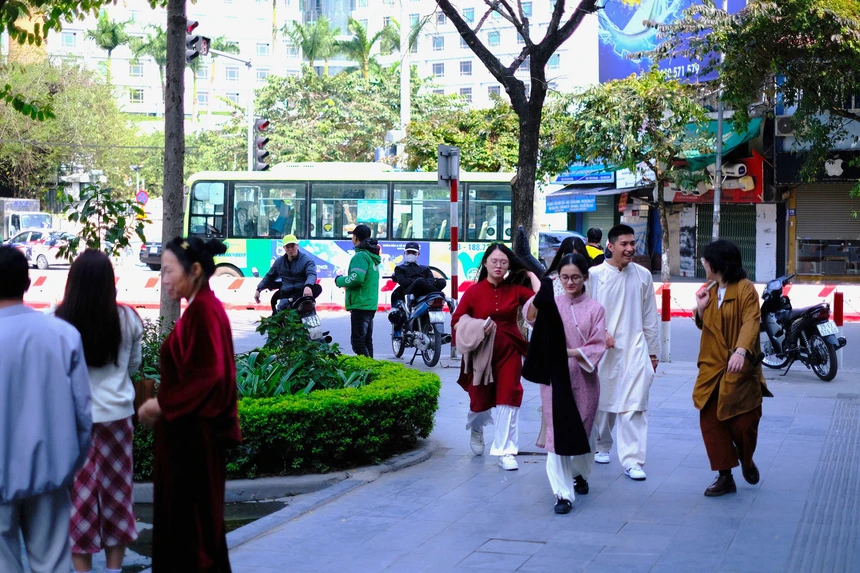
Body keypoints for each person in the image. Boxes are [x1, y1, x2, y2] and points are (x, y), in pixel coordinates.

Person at [137, 237, 241, 572]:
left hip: (194, 442)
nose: (163, 278)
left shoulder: (203, 311)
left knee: (191, 535)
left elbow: (211, 376)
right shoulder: (201, 307)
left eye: (168, 270)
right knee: (195, 532)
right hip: (189, 440)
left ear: (194, 271)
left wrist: (162, 405)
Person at [0, 246, 92, 573]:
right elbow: (83, 414)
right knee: (53, 564)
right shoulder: (63, 335)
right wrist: (72, 464)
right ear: (27, 284)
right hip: (51, 472)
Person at [55, 250, 143, 573]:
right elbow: (134, 365)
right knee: (117, 494)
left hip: (73, 420)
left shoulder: (59, 319)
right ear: (110, 283)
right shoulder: (128, 319)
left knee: (79, 499)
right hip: (117, 419)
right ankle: (114, 570)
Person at [523, 254, 606, 514]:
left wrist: (567, 353)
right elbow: (531, 317)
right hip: (554, 379)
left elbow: (597, 345)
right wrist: (541, 292)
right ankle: (563, 494)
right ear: (558, 278)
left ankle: (580, 473)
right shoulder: (552, 303)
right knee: (557, 436)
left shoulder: (595, 309)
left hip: (584, 378)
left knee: (583, 432)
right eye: (565, 277)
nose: (570, 282)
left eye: (576, 277)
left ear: (585, 278)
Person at [451, 243, 540, 471]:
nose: (499, 266)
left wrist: (530, 272)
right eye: (494, 261)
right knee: (479, 401)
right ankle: (477, 428)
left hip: (510, 348)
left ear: (510, 265)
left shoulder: (515, 290)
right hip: (481, 353)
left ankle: (506, 450)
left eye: (504, 262)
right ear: (485, 263)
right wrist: (478, 326)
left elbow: (539, 302)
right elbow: (456, 321)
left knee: (509, 396)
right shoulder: (473, 292)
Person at [694, 239, 772, 497]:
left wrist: (741, 351)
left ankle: (746, 460)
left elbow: (751, 321)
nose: (703, 264)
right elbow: (706, 326)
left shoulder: (745, 289)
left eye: (705, 261)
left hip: (739, 369)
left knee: (744, 422)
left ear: (717, 264)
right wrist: (700, 308)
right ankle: (725, 476)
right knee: (711, 421)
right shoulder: (709, 289)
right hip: (711, 367)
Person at [586, 224, 660, 481]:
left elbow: (650, 315)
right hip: (603, 350)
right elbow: (586, 311)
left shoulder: (642, 275)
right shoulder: (595, 275)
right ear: (610, 246)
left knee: (634, 405)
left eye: (632, 244)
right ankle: (602, 445)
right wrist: (600, 333)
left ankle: (632, 461)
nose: (630, 249)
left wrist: (653, 352)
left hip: (635, 348)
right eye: (624, 244)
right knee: (603, 403)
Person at [335, 224, 381, 357]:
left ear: (355, 238)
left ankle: (366, 371)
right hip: (369, 303)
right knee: (366, 340)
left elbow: (357, 278)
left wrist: (339, 281)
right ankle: (371, 369)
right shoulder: (371, 256)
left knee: (358, 342)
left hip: (360, 303)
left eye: (353, 236)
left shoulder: (360, 256)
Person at [254, 234, 322, 310]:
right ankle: (288, 302)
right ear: (284, 248)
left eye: (292, 246)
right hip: (286, 293)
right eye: (287, 247)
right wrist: (258, 290)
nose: (290, 249)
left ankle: (293, 300)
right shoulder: (279, 262)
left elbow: (311, 274)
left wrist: (308, 286)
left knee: (318, 288)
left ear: (297, 246)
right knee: (276, 306)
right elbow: (269, 276)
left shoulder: (307, 260)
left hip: (302, 293)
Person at [391, 241, 447, 312]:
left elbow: (431, 280)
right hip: (409, 290)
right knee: (419, 281)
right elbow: (403, 282)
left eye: (413, 253)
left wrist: (423, 283)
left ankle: (437, 295)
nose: (411, 255)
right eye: (409, 252)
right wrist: (419, 281)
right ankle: (443, 296)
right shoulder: (399, 268)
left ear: (418, 254)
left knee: (442, 281)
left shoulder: (425, 268)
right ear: (405, 253)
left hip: (425, 289)